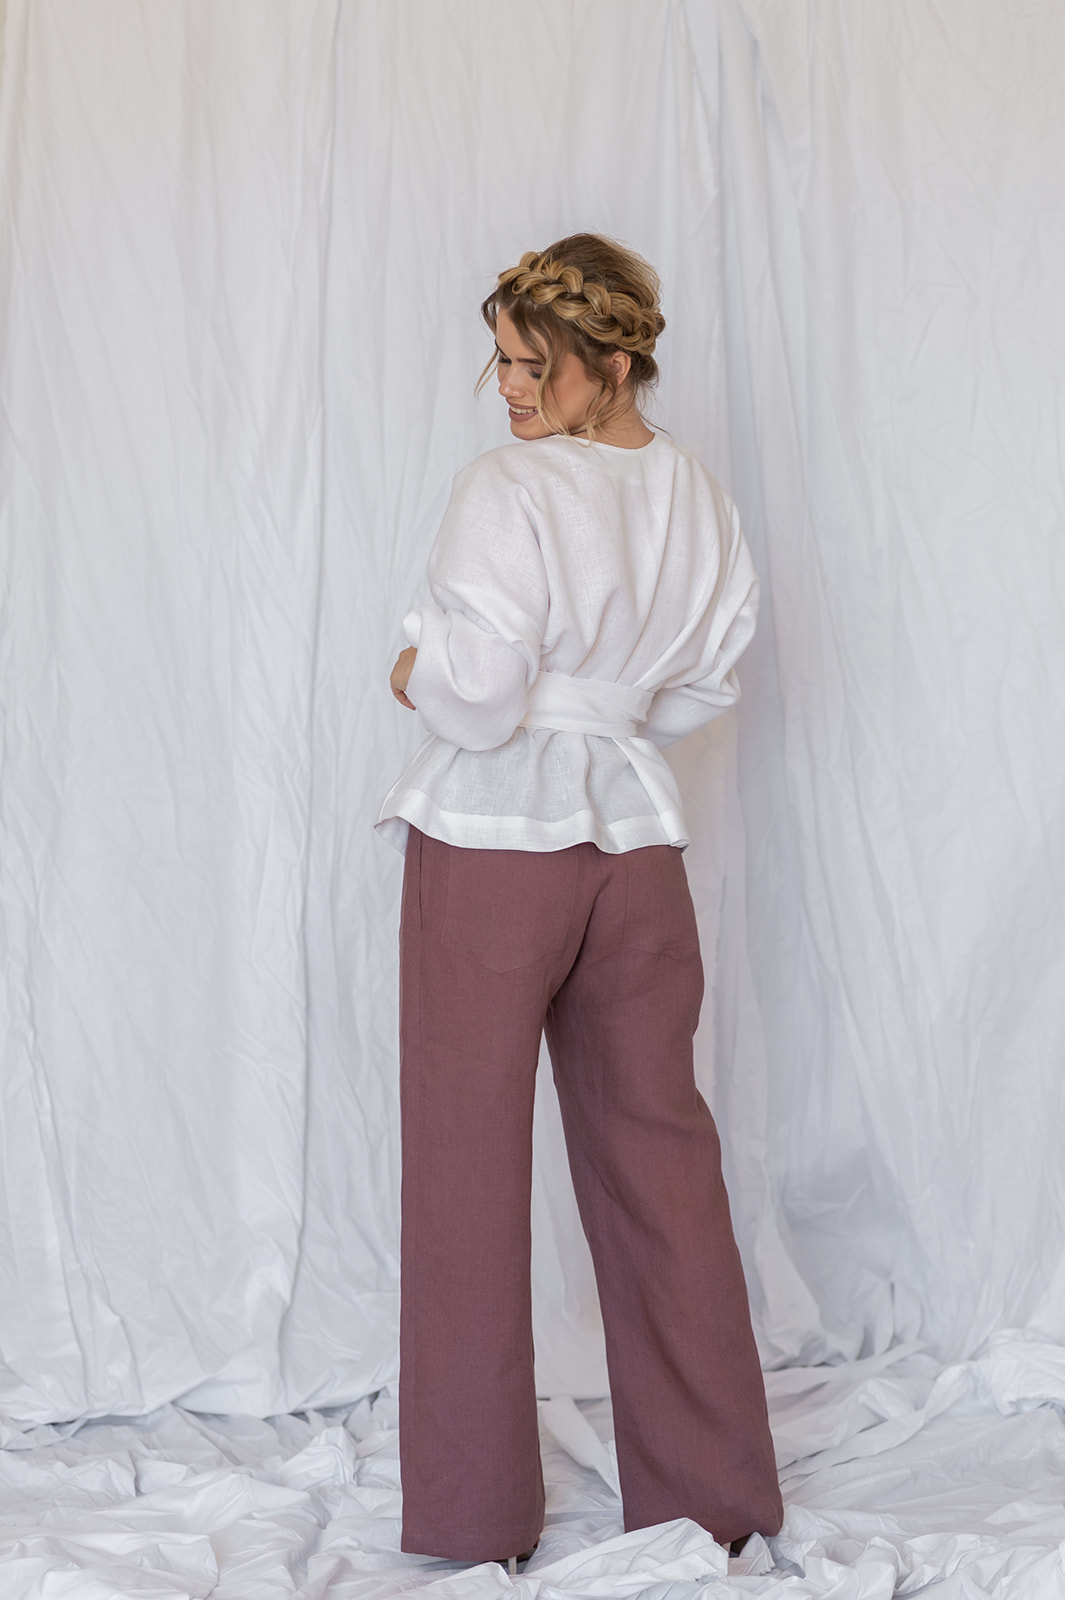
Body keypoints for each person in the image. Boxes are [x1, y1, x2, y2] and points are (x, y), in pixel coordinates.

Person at [375, 234, 783, 1566]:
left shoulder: (509, 486)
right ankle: (713, 1498)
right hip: (636, 844)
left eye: (529, 364)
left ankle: (475, 1516)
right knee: (661, 1162)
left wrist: (411, 671)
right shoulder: (698, 498)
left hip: (494, 841)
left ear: (609, 363)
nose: (505, 387)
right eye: (497, 360)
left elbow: (481, 692)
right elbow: (705, 682)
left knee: (464, 1171)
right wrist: (602, 721)